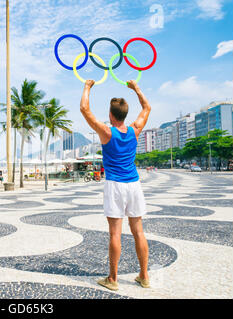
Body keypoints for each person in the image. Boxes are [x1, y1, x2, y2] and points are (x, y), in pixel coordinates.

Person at [80, 79, 151, 291]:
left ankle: (113, 279)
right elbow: (147, 107)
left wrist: (87, 86)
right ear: (125, 115)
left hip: (115, 186)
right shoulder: (135, 130)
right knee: (138, 231)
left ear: (111, 115)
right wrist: (136, 88)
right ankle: (144, 276)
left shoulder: (106, 132)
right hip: (134, 184)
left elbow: (84, 108)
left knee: (115, 233)